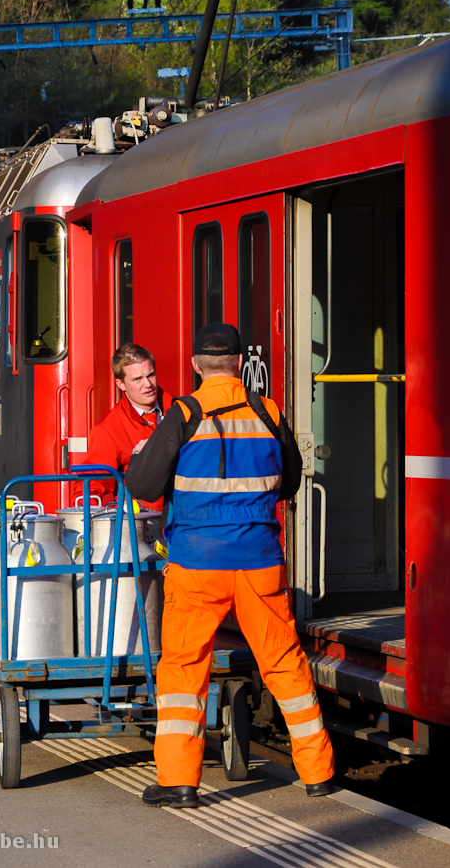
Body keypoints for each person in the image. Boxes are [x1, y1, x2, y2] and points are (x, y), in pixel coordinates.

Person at [125, 323, 335, 809]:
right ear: (240, 363)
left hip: (198, 564)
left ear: (197, 365)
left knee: (183, 667)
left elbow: (142, 484)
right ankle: (319, 772)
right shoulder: (267, 411)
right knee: (284, 662)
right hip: (259, 561)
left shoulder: (183, 414)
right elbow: (289, 484)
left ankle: (179, 781)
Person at [73, 342, 174, 510]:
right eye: (137, 379)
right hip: (145, 524)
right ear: (120, 384)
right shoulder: (109, 430)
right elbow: (89, 487)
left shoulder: (182, 410)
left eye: (151, 375)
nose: (148, 384)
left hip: (188, 521)